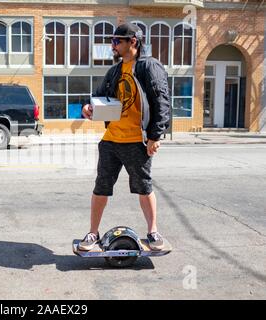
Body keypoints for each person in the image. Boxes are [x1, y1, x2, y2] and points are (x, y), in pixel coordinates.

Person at [79, 22, 170, 251]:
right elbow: (98, 97)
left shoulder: (149, 67)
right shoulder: (115, 71)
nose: (113, 45)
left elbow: (162, 102)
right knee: (101, 187)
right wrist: (88, 107)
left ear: (133, 42)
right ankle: (92, 233)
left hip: (136, 141)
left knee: (144, 187)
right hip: (111, 139)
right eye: (113, 41)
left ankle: (153, 232)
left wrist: (155, 135)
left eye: (117, 41)